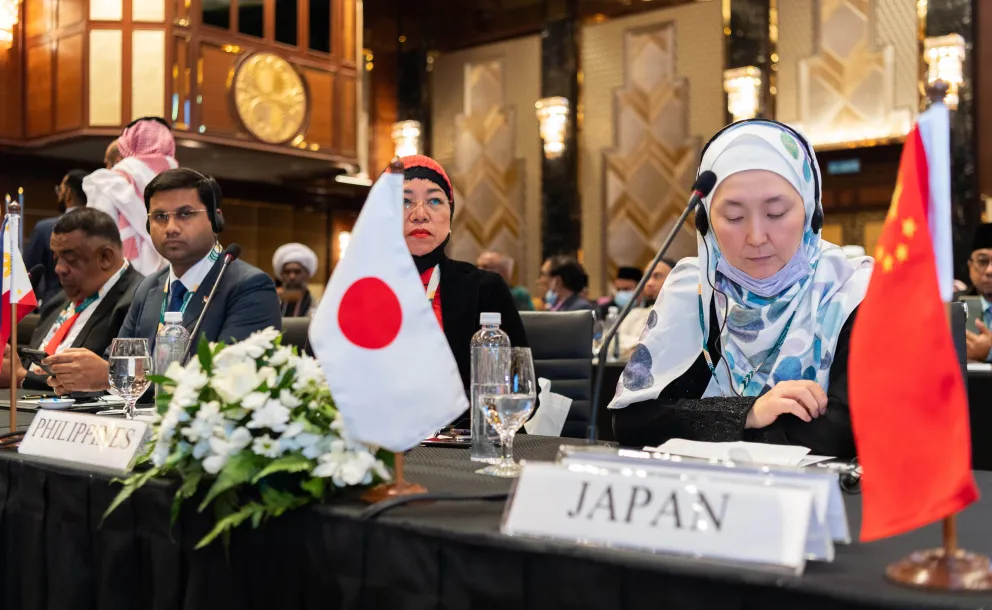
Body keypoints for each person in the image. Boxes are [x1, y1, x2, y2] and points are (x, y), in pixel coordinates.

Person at [610, 120, 872, 458]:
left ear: (810, 212)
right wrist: (748, 412)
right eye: (733, 217)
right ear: (706, 223)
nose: (757, 237)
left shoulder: (852, 290)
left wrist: (709, 428)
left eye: (776, 213)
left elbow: (844, 430)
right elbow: (633, 420)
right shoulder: (695, 289)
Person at [43, 168, 282, 394]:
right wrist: (78, 378)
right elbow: (115, 362)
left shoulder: (249, 287)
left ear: (215, 219)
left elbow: (230, 383)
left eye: (185, 214)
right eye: (159, 217)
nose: (171, 228)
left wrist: (111, 376)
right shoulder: (148, 288)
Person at [399, 155, 528, 424]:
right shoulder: (356, 289)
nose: (420, 214)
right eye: (404, 201)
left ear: (450, 215)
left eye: (434, 200)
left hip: (463, 443)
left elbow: (519, 388)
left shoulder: (484, 288)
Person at [3, 209, 145, 389]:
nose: (59, 269)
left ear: (106, 257)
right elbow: (32, 364)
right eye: (57, 257)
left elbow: (104, 382)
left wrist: (22, 377)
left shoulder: (137, 301)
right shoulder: (60, 299)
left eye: (70, 259)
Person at [84, 117, 175, 275]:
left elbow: (93, 241)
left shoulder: (108, 182)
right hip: (169, 284)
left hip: (118, 284)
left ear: (128, 142)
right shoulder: (181, 187)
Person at [25, 169, 88, 304]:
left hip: (53, 308)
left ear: (68, 194)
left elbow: (27, 277)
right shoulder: (102, 229)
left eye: (61, 189)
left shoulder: (45, 229)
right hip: (93, 308)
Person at [615, 258, 675, 355]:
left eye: (657, 276)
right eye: (647, 277)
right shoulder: (636, 314)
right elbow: (613, 343)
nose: (649, 283)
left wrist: (634, 347)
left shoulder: (682, 316)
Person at [961, 224, 992, 361]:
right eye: (983, 261)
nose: (989, 271)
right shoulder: (951, 307)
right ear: (970, 266)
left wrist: (989, 352)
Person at [273, 243, 320, 317]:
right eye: (287, 272)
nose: (292, 276)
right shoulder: (270, 306)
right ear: (281, 275)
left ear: (307, 275)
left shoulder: (318, 308)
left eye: (297, 272)